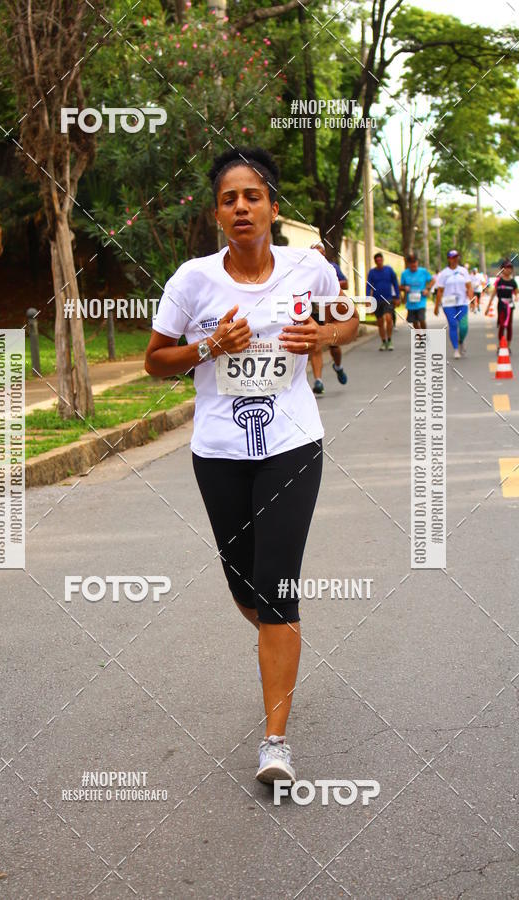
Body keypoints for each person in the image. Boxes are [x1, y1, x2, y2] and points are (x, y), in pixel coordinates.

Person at [145, 146, 359, 785]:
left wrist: (324, 336)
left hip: (293, 446)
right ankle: (276, 630)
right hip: (219, 454)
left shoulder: (309, 268)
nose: (242, 207)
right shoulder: (192, 280)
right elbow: (155, 361)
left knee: (277, 590)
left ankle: (275, 742)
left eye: (254, 196)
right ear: (217, 214)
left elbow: (349, 322)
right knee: (248, 590)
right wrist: (210, 345)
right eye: (229, 199)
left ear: (271, 206)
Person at [308, 241, 349, 394]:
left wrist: (332, 284)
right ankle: (318, 381)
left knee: (334, 347)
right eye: (312, 252)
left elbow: (346, 284)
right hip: (313, 311)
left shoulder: (332, 267)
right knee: (315, 345)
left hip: (330, 311)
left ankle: (338, 366)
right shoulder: (305, 270)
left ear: (323, 254)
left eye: (318, 252)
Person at [434, 250, 474, 358]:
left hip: (462, 302)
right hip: (448, 304)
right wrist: (436, 306)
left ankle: (461, 340)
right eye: (452, 257)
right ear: (448, 259)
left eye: (456, 257)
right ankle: (456, 348)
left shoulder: (463, 271)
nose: (455, 259)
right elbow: (440, 291)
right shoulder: (443, 274)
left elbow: (469, 287)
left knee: (464, 326)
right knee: (453, 324)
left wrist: (472, 301)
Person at [366, 252, 399, 350]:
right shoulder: (372, 272)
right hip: (376, 300)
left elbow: (395, 283)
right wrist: (368, 299)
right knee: (380, 322)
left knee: (389, 318)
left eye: (380, 260)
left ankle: (389, 340)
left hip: (388, 299)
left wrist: (397, 297)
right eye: (377, 260)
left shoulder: (389, 270)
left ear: (382, 260)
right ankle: (383, 342)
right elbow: (368, 286)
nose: (379, 262)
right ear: (375, 261)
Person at [484, 259, 518, 349]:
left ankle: (508, 346)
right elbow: (493, 295)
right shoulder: (499, 281)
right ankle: (501, 345)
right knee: (502, 325)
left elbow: (516, 292)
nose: (509, 270)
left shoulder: (513, 282)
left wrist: (516, 296)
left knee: (509, 326)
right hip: (501, 305)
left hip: (510, 305)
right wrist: (487, 308)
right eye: (506, 268)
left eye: (510, 268)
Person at [399, 253, 434, 329]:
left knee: (422, 319)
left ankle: (424, 335)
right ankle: (419, 337)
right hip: (411, 302)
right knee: (414, 321)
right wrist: (405, 288)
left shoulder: (423, 271)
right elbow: (400, 286)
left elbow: (432, 280)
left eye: (414, 262)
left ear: (417, 262)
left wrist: (427, 289)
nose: (413, 264)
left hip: (421, 301)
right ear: (408, 264)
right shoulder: (404, 273)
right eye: (411, 263)